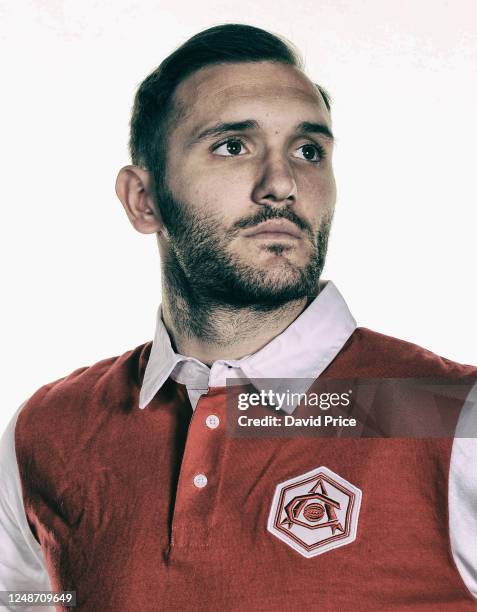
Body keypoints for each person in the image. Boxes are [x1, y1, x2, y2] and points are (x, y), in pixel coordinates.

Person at [1, 23, 476, 611]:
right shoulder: (47, 431)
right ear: (143, 200)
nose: (282, 184)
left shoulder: (450, 415)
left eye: (309, 151)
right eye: (233, 146)